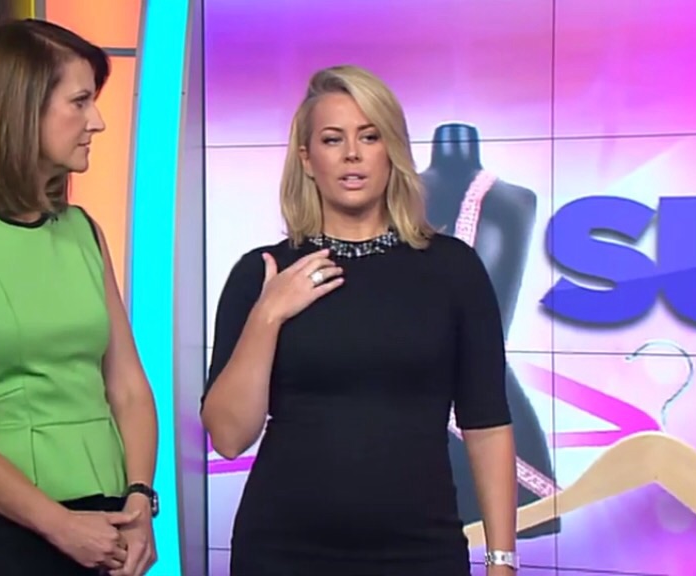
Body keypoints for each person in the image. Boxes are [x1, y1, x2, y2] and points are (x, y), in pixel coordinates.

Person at [201, 65, 519, 576]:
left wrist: (502, 561)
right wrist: (268, 315)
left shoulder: (453, 269)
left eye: (369, 137)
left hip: (420, 550)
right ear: (307, 159)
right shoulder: (263, 272)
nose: (352, 153)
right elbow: (228, 436)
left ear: (391, 150)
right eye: (333, 139)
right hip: (282, 551)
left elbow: (486, 424)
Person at [0, 19, 159, 576]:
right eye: (80, 102)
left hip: (105, 515)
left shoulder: (84, 231)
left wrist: (140, 499)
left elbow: (129, 388)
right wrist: (57, 524)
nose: (97, 121)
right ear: (20, 110)